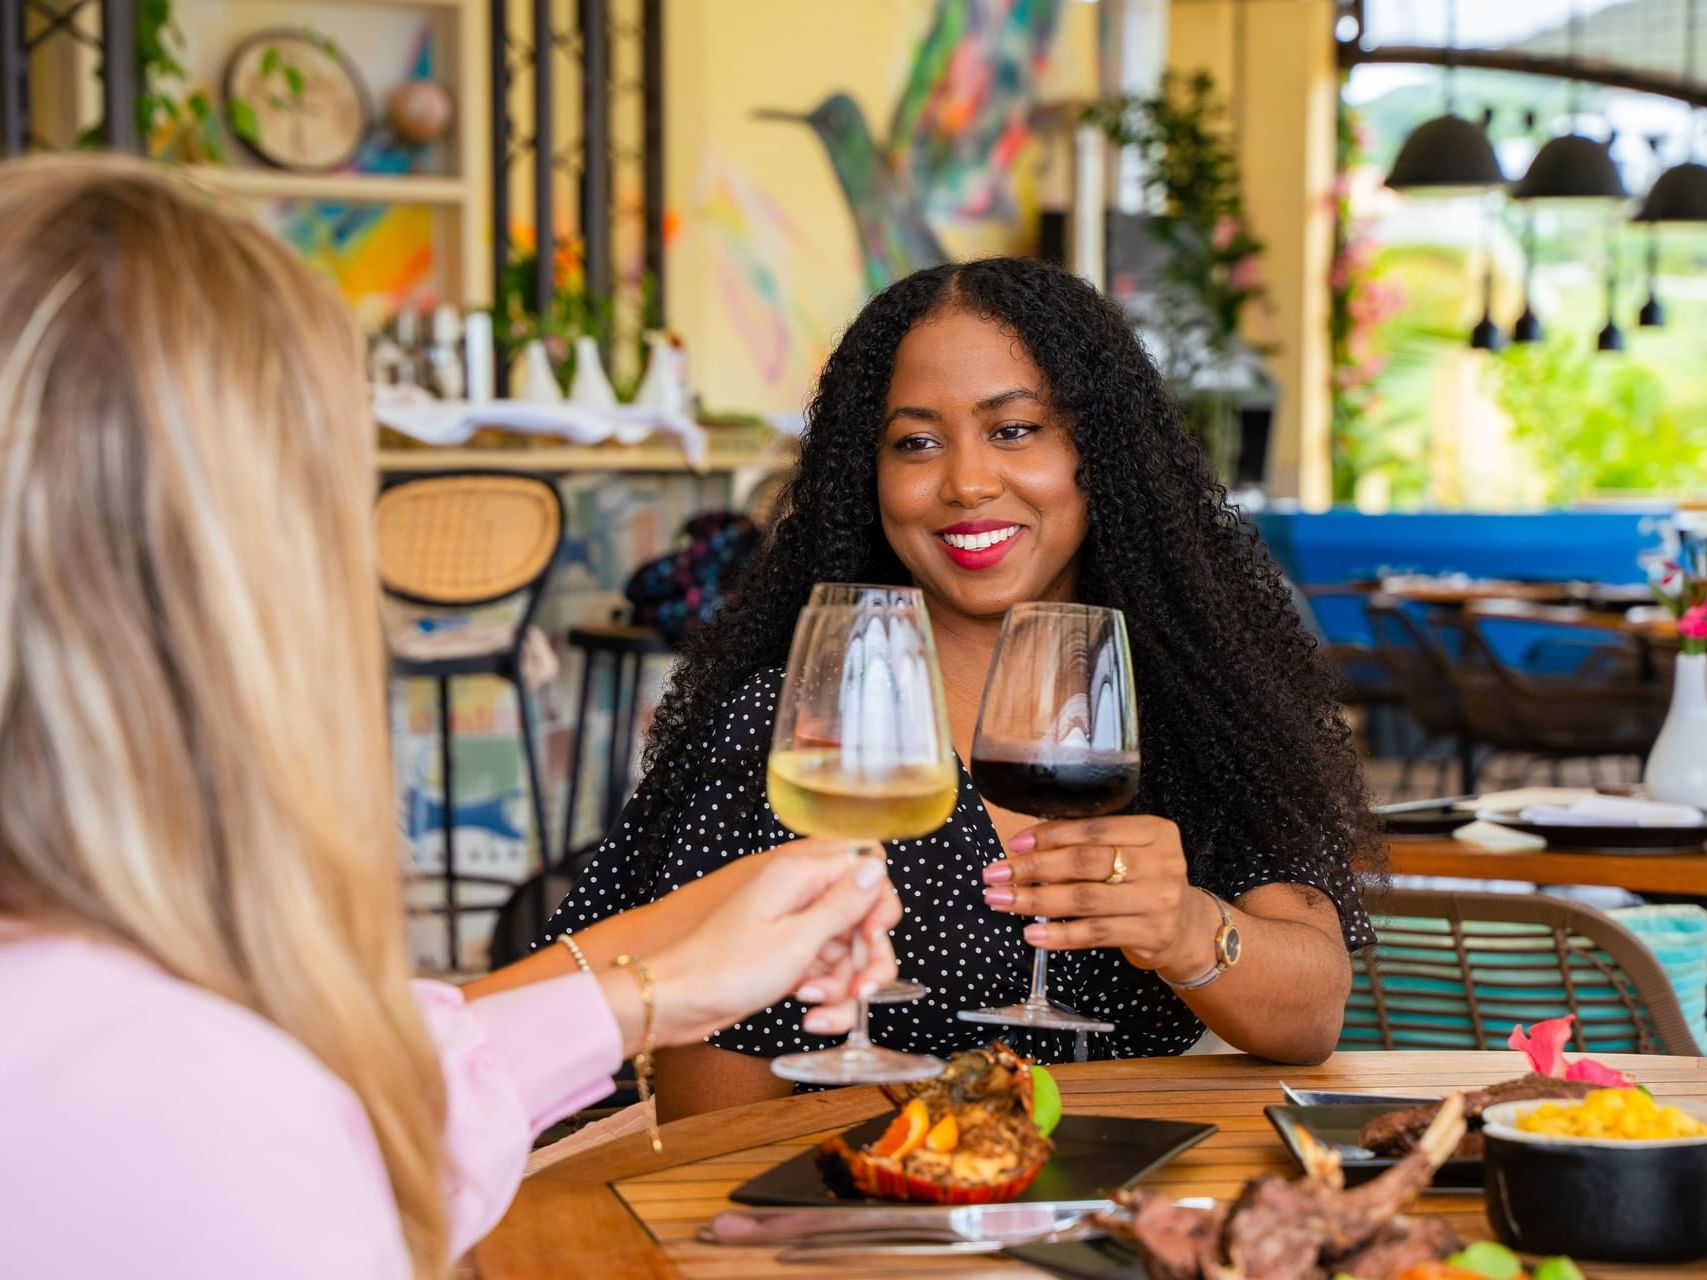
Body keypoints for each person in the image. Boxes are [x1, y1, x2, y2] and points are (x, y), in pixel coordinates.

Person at [0, 154, 900, 1280]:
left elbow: (360, 1114)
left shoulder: (137, 1039)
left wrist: (659, 989)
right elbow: (283, 1140)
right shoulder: (187, 1094)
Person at [549, 255, 1382, 1120]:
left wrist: (1184, 927)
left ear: (1099, 452)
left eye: (1014, 430)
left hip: (1132, 1189)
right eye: (916, 442)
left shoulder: (1192, 701)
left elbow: (1311, 1016)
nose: (967, 483)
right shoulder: (796, 732)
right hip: (862, 1197)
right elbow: (710, 1123)